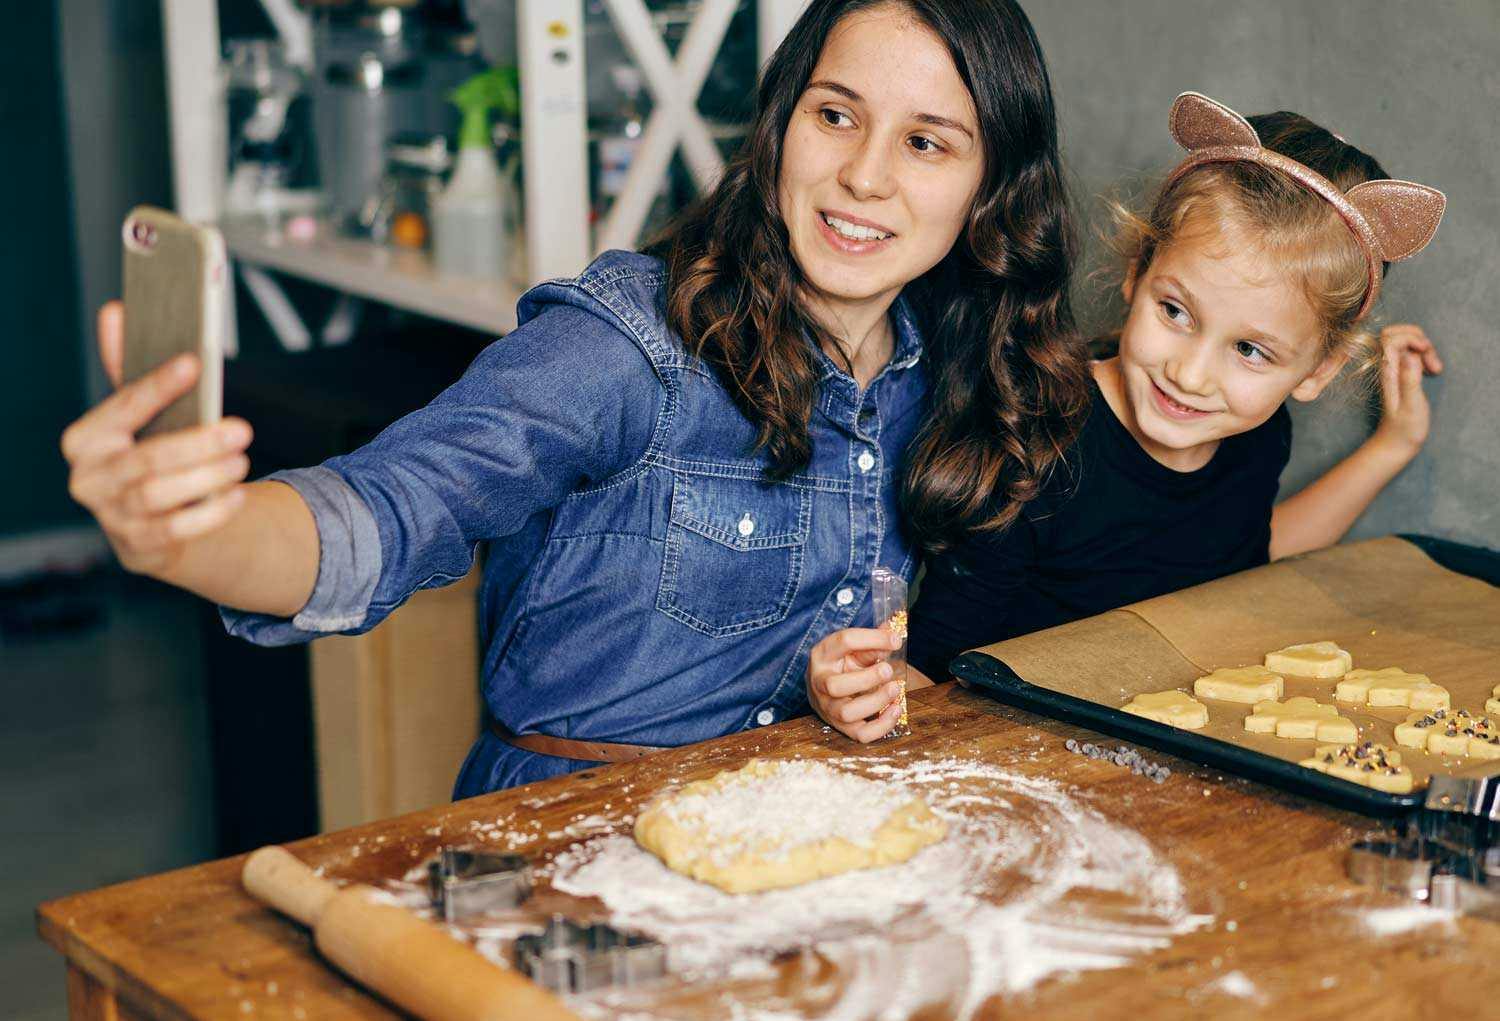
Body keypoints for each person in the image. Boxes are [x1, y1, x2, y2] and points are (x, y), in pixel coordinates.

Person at [62, 0, 1089, 792]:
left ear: (990, 185)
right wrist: (190, 536)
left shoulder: (946, 366)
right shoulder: (625, 345)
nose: (864, 175)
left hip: (800, 838)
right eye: (835, 115)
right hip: (567, 854)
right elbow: (392, 507)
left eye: (925, 142)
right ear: (780, 127)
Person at [889, 92, 1444, 688]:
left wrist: (1394, 445)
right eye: (1176, 312)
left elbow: (1242, 554)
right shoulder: (1038, 444)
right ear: (1137, 273)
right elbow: (930, 670)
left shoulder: (1256, 436)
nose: (1191, 374)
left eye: (1250, 351)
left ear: (1317, 371)